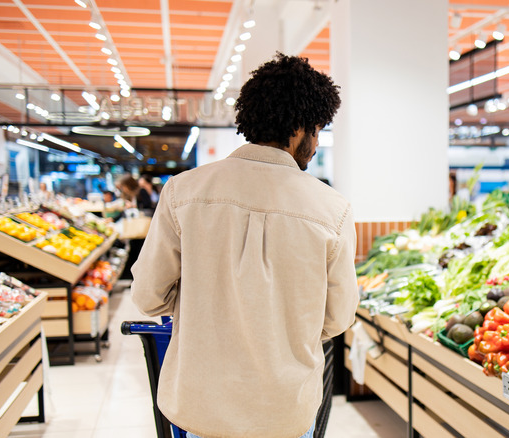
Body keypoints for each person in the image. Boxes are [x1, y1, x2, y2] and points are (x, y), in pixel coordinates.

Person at [130, 53, 358, 438]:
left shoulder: (183, 192)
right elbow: (337, 318)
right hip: (283, 410)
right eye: (318, 130)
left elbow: (148, 296)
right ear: (299, 127)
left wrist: (203, 303)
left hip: (200, 405)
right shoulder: (331, 209)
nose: (317, 143)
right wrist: (280, 322)